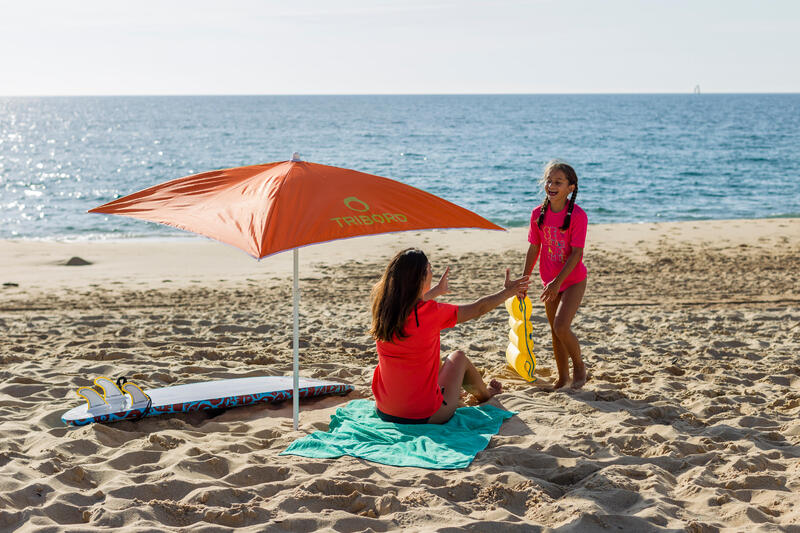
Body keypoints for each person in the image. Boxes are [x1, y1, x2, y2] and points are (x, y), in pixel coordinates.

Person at [370, 248, 529, 424]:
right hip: (424, 416)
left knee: (431, 360)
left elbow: (408, 304)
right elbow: (478, 308)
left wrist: (435, 291)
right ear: (420, 279)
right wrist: (508, 292)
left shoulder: (384, 311)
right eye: (429, 270)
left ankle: (459, 393)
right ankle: (486, 395)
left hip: (385, 410)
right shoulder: (431, 313)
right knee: (458, 357)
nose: (432, 273)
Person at [522, 160, 588, 390]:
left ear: (570, 187)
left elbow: (577, 253)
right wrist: (524, 279)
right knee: (554, 331)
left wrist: (556, 282)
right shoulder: (537, 214)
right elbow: (534, 247)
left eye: (558, 182)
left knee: (561, 326)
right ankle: (562, 378)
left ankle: (579, 368)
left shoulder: (578, 216)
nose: (551, 185)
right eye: (549, 180)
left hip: (572, 280)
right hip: (549, 281)